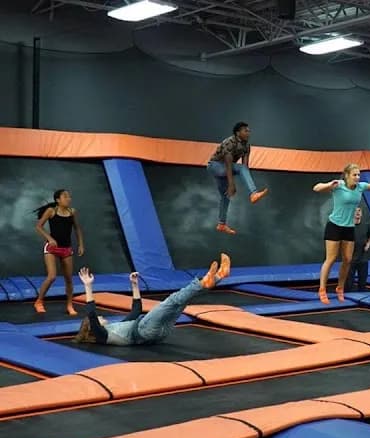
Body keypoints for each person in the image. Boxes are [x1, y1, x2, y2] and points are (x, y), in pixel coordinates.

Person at [73, 253, 230, 345]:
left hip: (158, 334)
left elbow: (136, 311)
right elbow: (92, 314)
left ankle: (218, 276)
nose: (101, 317)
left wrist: (134, 285)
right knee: (173, 299)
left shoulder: (115, 327)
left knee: (182, 300)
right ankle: (206, 280)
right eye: (98, 320)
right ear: (91, 327)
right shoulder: (101, 335)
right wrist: (88, 286)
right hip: (144, 329)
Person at [313, 164, 370, 304]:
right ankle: (322, 289)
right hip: (334, 226)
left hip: (349, 227)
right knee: (331, 259)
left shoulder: (360, 187)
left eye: (358, 175)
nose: (357, 177)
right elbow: (316, 188)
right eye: (354, 175)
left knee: (347, 259)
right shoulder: (339, 185)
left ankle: (340, 288)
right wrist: (329, 185)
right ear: (347, 175)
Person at [206, 122, 269, 234]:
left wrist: (244, 179)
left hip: (225, 170)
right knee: (239, 169)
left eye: (249, 131)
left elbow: (245, 167)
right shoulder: (229, 142)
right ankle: (253, 193)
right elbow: (228, 164)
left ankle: (221, 224)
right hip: (215, 166)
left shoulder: (246, 146)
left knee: (226, 196)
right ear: (238, 133)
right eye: (245, 131)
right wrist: (231, 184)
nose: (248, 133)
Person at [33, 189, 85, 316]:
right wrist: (50, 239)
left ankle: (69, 305)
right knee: (52, 276)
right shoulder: (52, 211)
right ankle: (39, 301)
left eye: (69, 196)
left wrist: (81, 244)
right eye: (65, 197)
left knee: (69, 279)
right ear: (58, 200)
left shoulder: (72, 212)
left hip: (66, 248)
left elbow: (77, 229)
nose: (68, 199)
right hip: (52, 248)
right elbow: (38, 226)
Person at [345, 206, 370, 292]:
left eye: (359, 211)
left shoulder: (366, 225)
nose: (357, 212)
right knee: (349, 284)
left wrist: (368, 244)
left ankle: (363, 295)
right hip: (351, 258)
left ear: (361, 213)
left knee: (362, 283)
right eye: (355, 211)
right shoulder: (348, 226)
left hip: (363, 258)